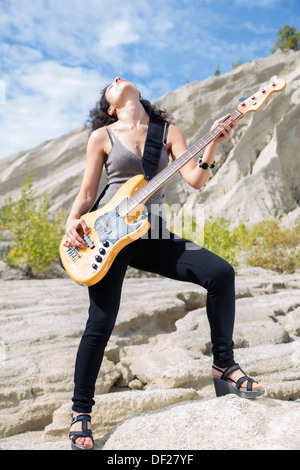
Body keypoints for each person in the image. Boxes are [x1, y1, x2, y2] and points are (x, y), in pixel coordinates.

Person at [63, 77, 264, 450]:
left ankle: (224, 364)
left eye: (122, 78)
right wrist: (70, 224)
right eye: (111, 83)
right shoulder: (103, 137)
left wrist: (215, 143)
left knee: (221, 273)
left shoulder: (169, 132)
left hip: (153, 232)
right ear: (110, 106)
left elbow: (195, 179)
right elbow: (88, 192)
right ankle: (81, 413)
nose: (118, 80)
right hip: (107, 235)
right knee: (101, 319)